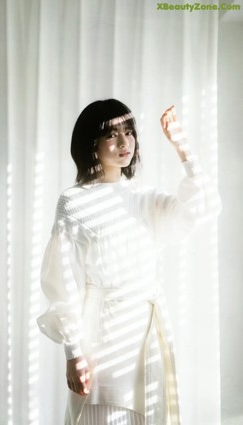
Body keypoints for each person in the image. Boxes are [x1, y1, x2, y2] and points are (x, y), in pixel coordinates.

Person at [37, 99, 221, 425]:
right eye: (112, 134)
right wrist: (73, 353)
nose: (124, 143)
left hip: (147, 331)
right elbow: (62, 283)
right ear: (91, 143)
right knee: (104, 414)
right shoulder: (73, 202)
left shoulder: (143, 197)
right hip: (102, 333)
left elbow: (201, 209)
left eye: (129, 132)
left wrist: (183, 149)